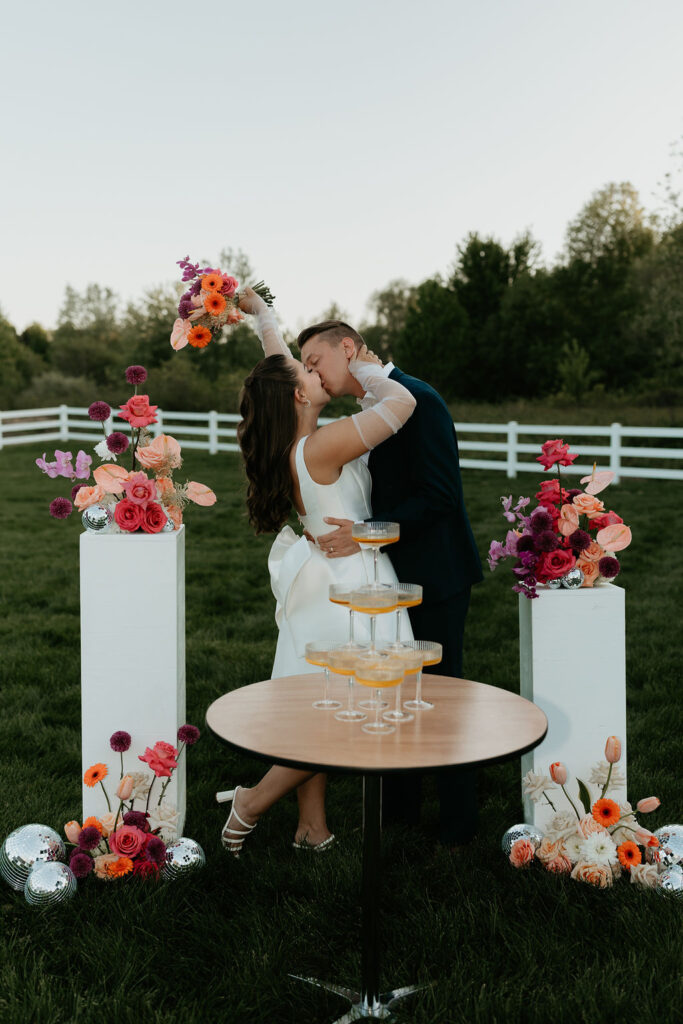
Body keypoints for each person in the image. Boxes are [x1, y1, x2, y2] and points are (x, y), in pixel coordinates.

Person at [217, 289, 416, 857]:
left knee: (316, 702)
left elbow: (278, 367)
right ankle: (252, 802)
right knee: (342, 712)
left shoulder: (296, 440)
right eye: (307, 370)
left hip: (324, 581)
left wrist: (265, 318)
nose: (313, 369)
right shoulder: (323, 445)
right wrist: (365, 367)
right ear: (300, 393)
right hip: (348, 587)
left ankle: (312, 824)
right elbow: (401, 406)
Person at [298, 320, 484, 847]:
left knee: (441, 695)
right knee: (397, 691)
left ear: (349, 348)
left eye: (315, 360)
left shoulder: (419, 399)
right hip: (394, 581)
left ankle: (458, 825)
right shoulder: (372, 408)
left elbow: (441, 495)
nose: (312, 372)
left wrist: (367, 534)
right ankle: (401, 810)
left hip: (437, 575)